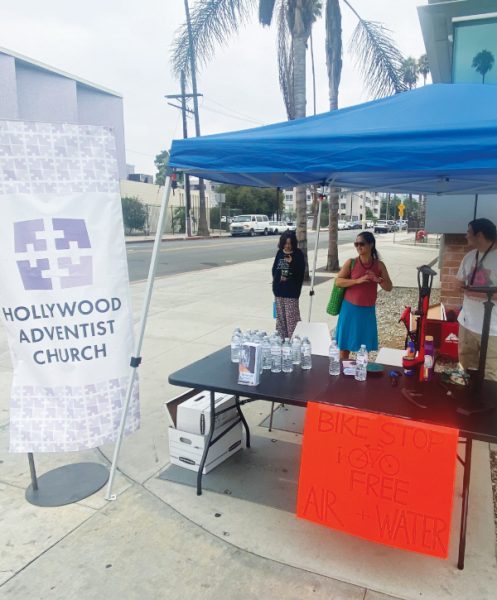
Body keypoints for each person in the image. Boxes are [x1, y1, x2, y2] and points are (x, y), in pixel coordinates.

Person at [334, 231, 393, 360]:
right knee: (345, 346)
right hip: (349, 309)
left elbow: (389, 287)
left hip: (367, 310)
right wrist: (356, 281)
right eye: (356, 244)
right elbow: (338, 281)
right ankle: (342, 373)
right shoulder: (351, 262)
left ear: (371, 245)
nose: (358, 247)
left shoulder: (379, 265)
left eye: (362, 244)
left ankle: (362, 373)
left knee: (364, 347)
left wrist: (378, 279)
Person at [456, 218, 497, 380]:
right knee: (466, 368)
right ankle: (467, 402)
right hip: (467, 324)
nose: (466, 236)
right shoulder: (469, 256)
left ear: (479, 235)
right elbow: (458, 283)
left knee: (491, 374)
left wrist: (478, 293)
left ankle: (489, 405)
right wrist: (462, 287)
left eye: (468, 232)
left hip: (493, 329)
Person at [272, 231, 305, 339]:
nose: (288, 245)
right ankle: (281, 343)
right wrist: (279, 280)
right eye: (286, 243)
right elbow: (274, 270)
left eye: (290, 243)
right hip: (279, 292)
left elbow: (300, 273)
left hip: (291, 293)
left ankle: (294, 344)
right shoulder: (280, 253)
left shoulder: (298, 254)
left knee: (292, 321)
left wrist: (292, 263)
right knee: (280, 321)